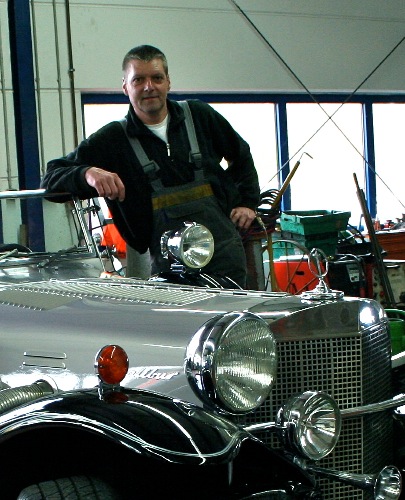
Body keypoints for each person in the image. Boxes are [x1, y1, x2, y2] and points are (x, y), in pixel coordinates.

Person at [41, 44, 260, 287]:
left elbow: (241, 155)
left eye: (157, 78)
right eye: (138, 80)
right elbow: (51, 179)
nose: (149, 87)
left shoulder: (199, 116)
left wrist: (247, 202)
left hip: (225, 256)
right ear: (125, 86)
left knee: (233, 310)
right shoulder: (113, 140)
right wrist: (87, 174)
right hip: (166, 268)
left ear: (168, 82)